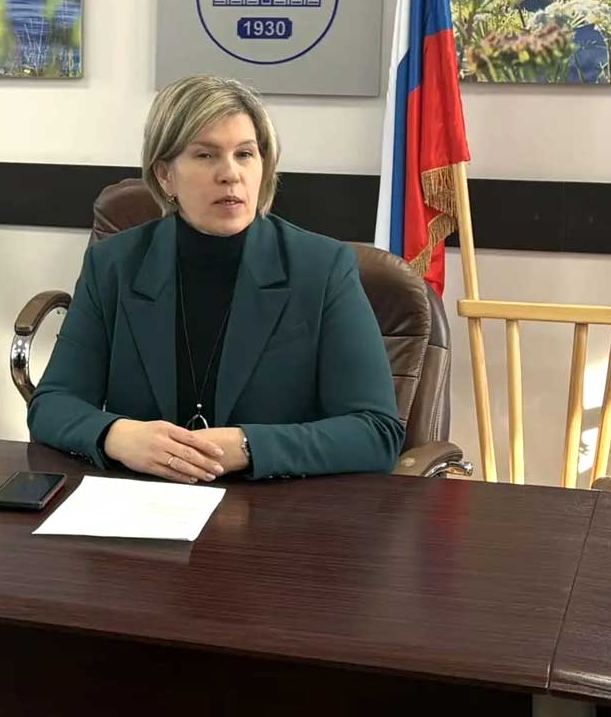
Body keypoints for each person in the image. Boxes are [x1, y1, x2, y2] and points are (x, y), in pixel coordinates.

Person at [28, 75, 404, 482]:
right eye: (206, 155)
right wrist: (116, 435)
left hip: (275, 504)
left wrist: (248, 446)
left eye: (245, 154)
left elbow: (376, 432)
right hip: (145, 501)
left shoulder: (322, 268)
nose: (230, 174)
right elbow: (52, 404)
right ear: (165, 175)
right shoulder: (114, 265)